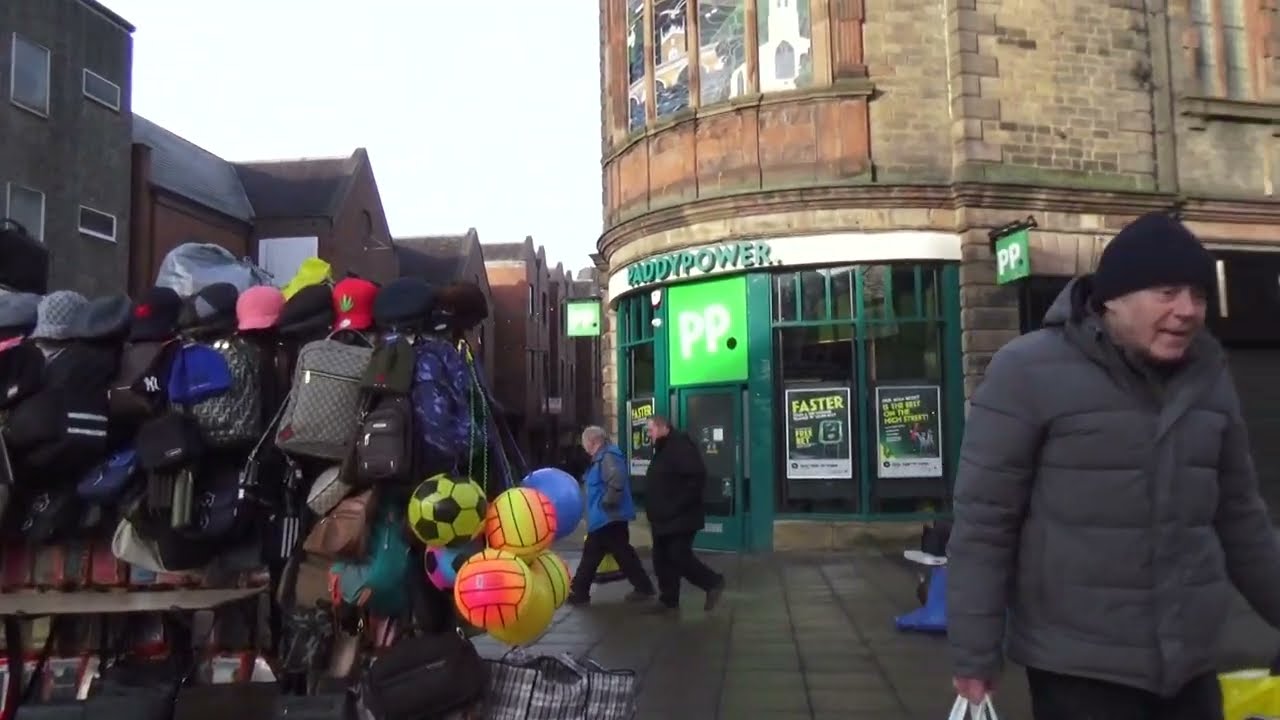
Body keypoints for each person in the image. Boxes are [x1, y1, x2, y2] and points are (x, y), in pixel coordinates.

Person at [947, 212, 1280, 720]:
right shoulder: (1027, 370)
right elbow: (985, 522)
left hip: (1190, 664)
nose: (1188, 311)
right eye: (1167, 293)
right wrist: (974, 650)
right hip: (1080, 667)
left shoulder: (1210, 377)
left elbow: (1242, 520)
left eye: (1199, 295)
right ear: (1113, 300)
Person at [644, 415, 725, 613]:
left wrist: (674, 506)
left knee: (678, 555)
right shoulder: (664, 448)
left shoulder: (680, 447)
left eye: (650, 429)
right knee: (661, 558)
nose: (648, 434)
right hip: (663, 518)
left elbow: (696, 479)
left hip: (680, 517)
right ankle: (668, 600)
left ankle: (712, 582)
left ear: (663, 427)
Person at [566, 426, 655, 605]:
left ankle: (579, 592)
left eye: (585, 443)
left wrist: (607, 502)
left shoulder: (608, 456)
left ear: (593, 441)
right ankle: (643, 587)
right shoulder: (602, 457)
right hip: (606, 518)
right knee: (619, 553)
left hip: (608, 517)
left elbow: (616, 480)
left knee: (599, 555)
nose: (584, 448)